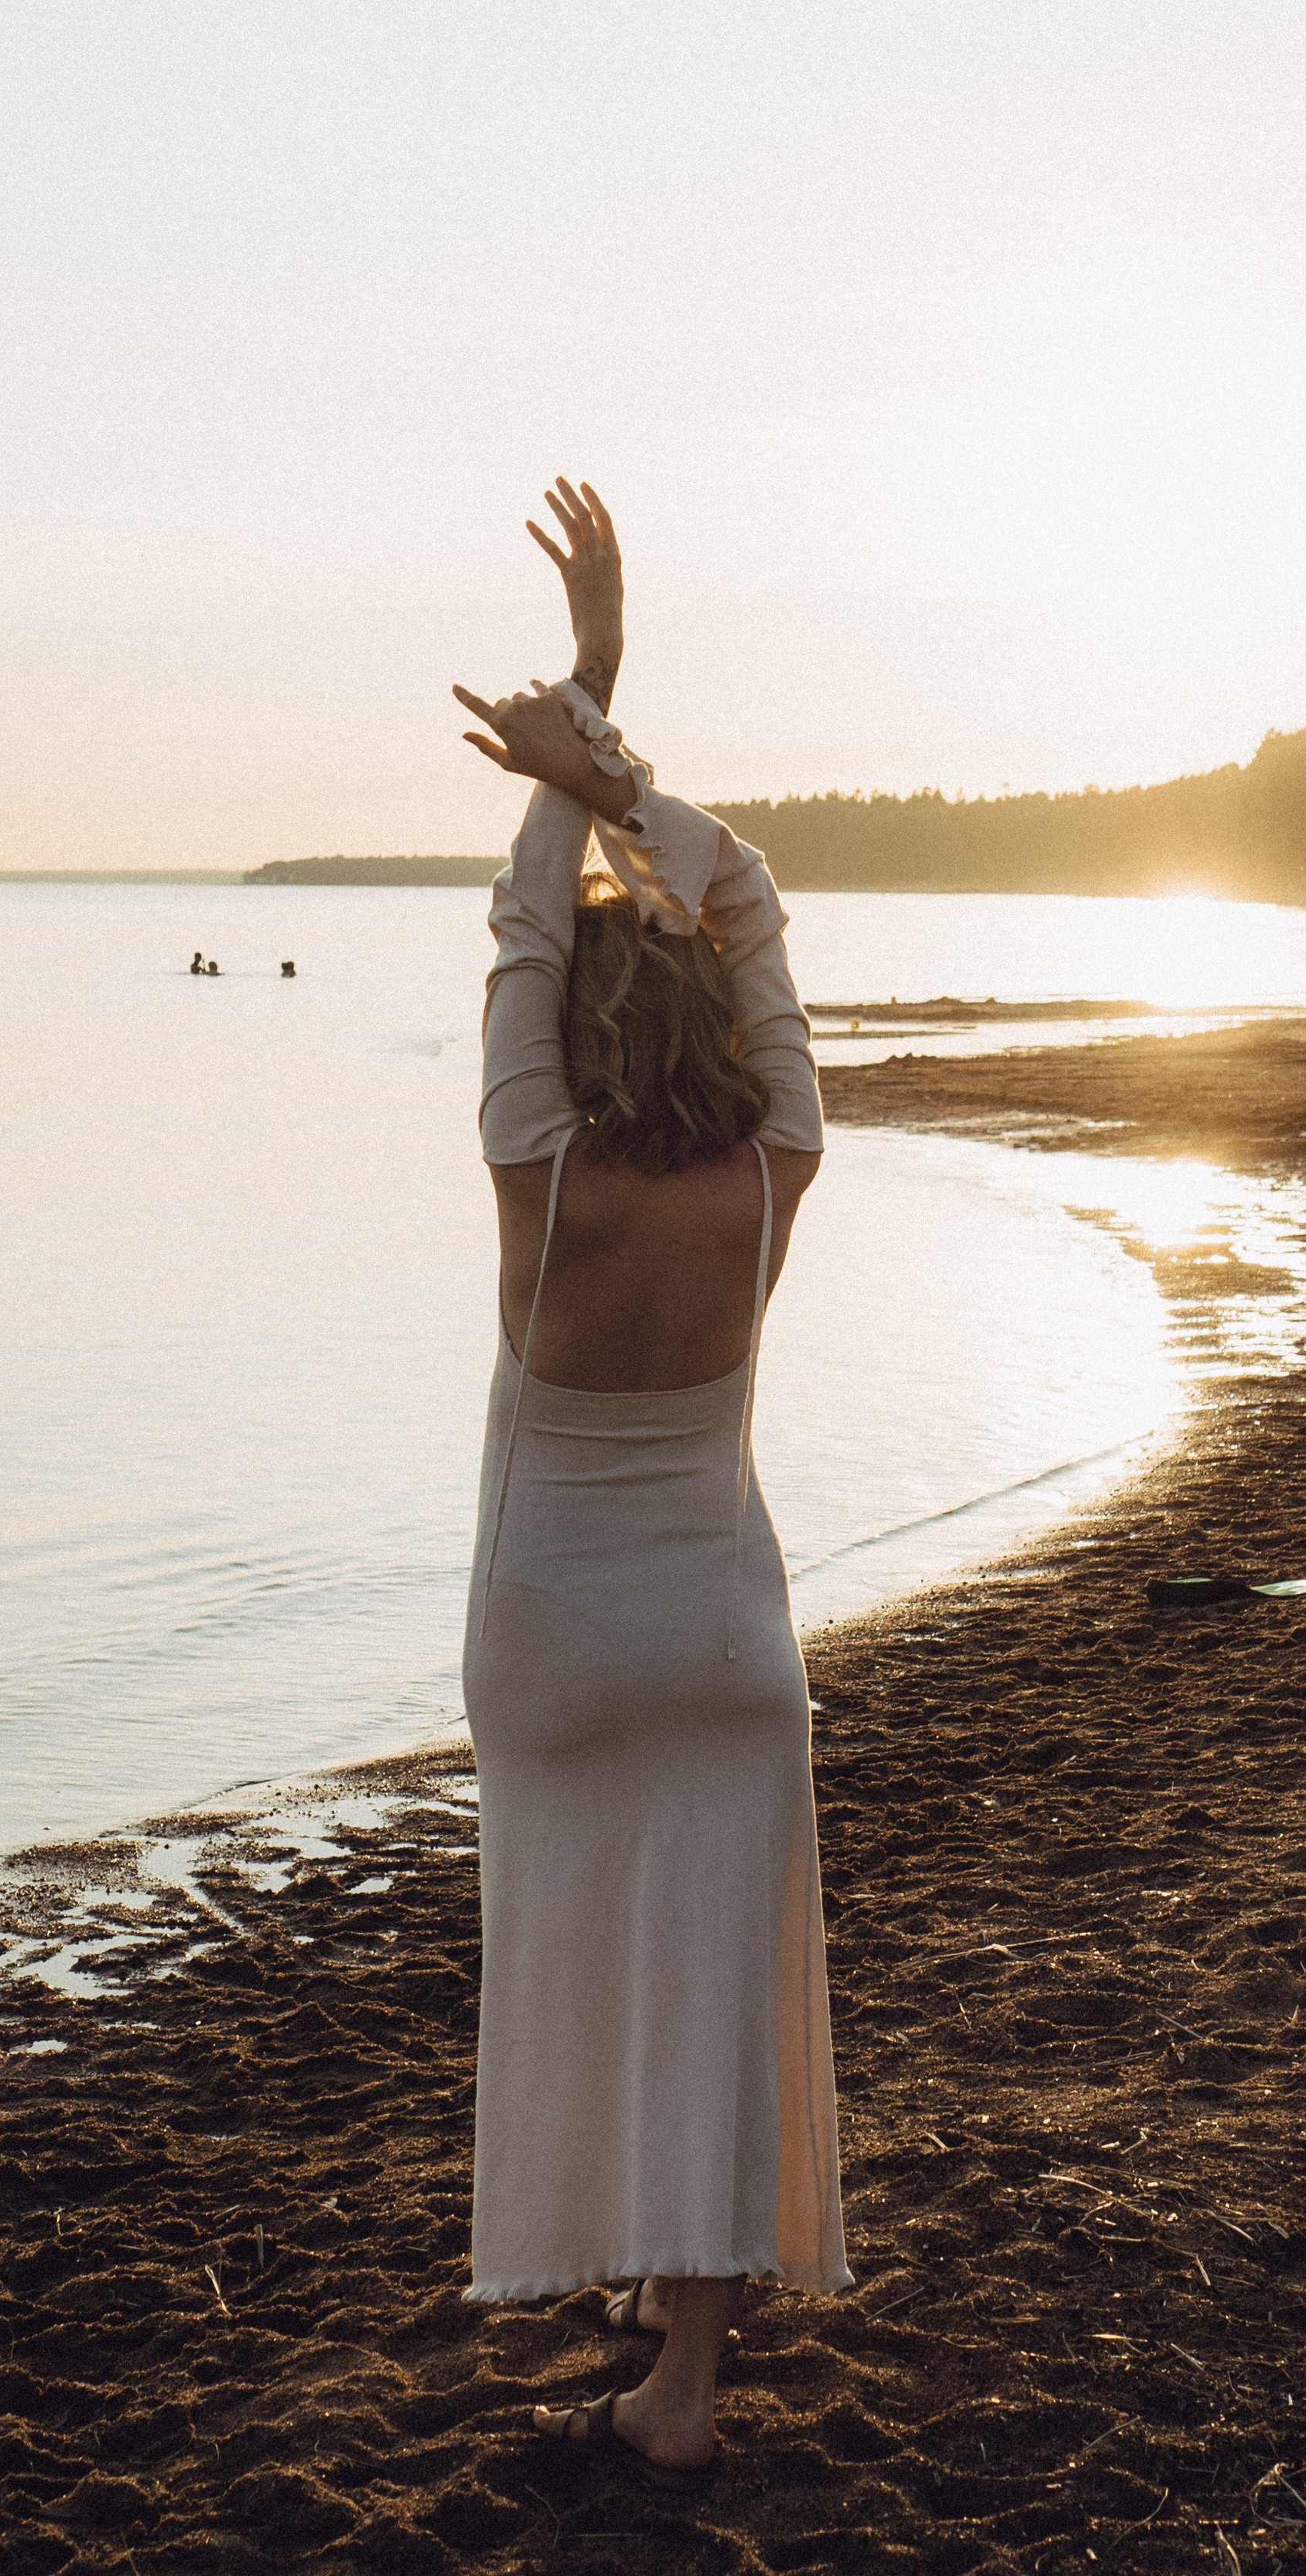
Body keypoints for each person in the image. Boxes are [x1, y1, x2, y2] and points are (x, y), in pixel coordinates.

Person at [451, 478, 848, 2473]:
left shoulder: (541, 1168)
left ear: (582, 1031)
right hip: (717, 1622)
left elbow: (528, 927)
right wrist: (620, 761)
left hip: (550, 1627)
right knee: (709, 1979)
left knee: (582, 1950)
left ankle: (604, 2271)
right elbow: (748, 898)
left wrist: (572, 734)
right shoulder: (774, 1173)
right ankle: (684, 2380)